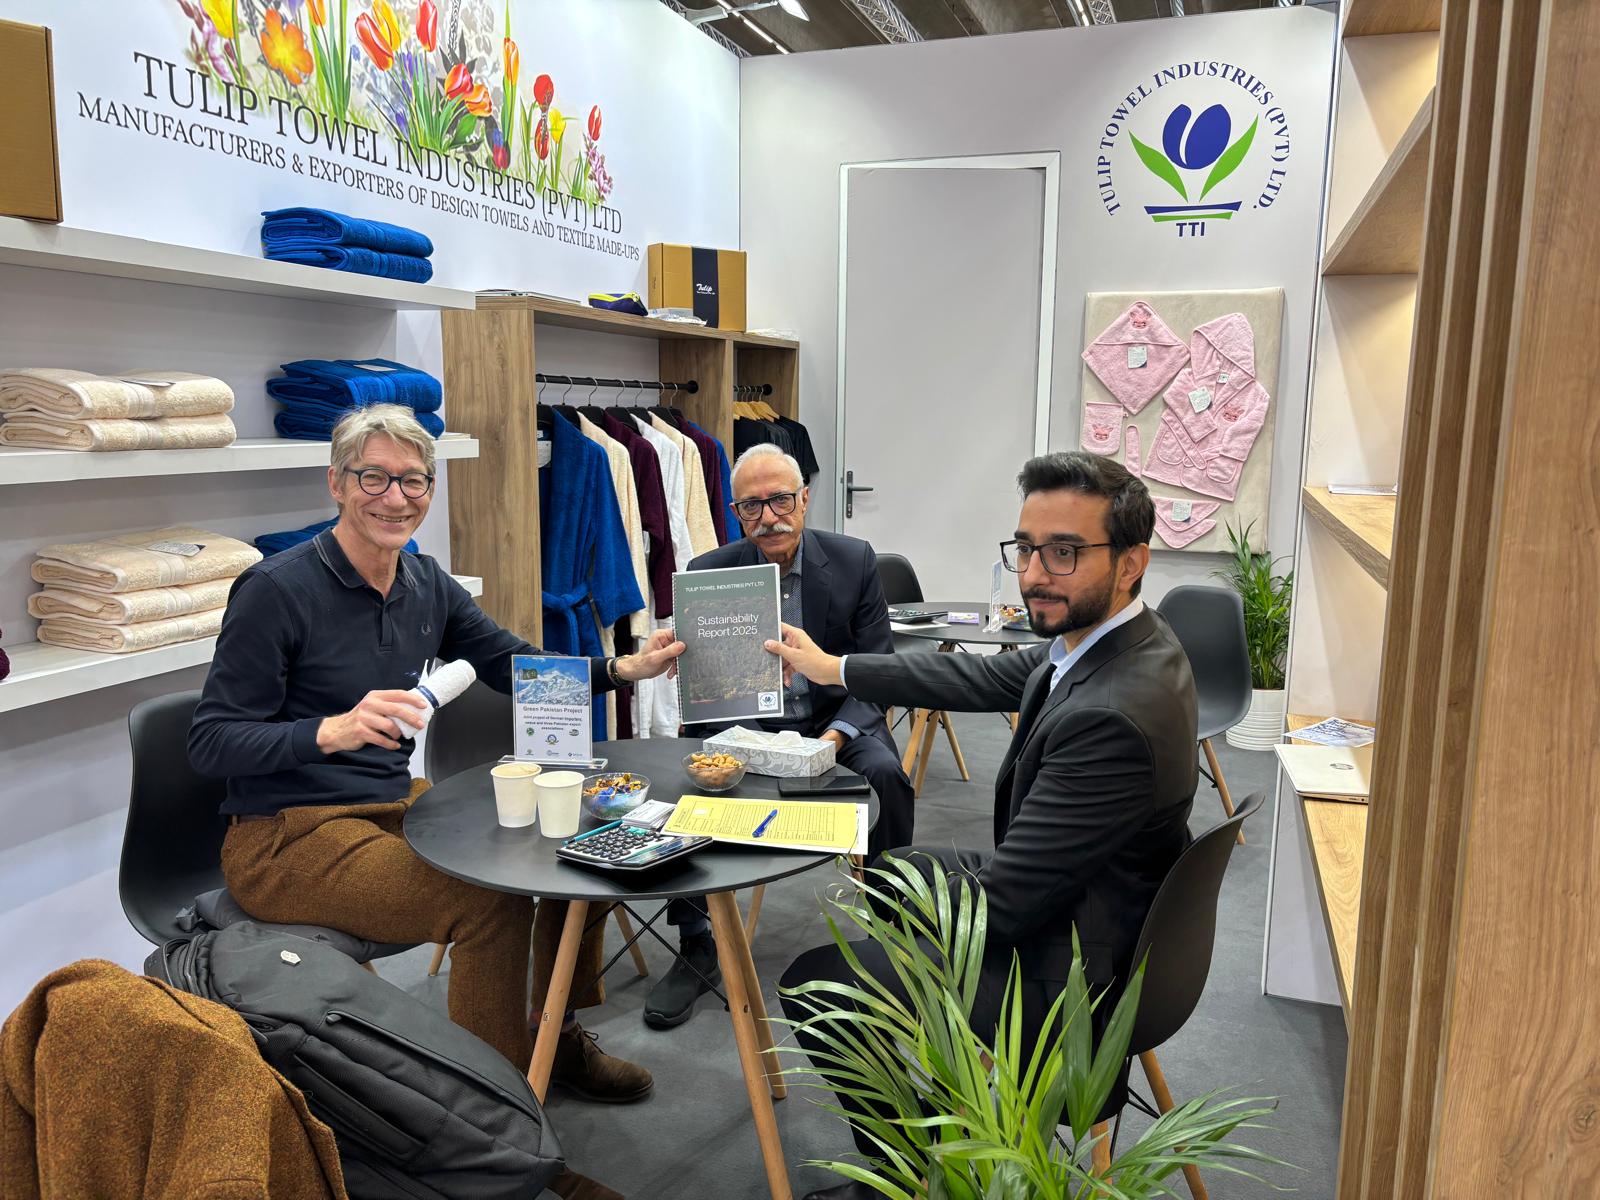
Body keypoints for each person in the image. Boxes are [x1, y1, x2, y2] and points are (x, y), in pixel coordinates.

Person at [188, 406, 684, 1200]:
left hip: (392, 803)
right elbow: (211, 742)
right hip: (287, 835)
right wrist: (328, 731)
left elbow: (513, 664)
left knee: (575, 850)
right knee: (487, 905)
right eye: (374, 478)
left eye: (413, 481)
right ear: (337, 484)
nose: (395, 497)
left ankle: (546, 1036)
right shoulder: (276, 591)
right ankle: (500, 1154)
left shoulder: (423, 580)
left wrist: (622, 671)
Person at [768, 451, 1198, 1200]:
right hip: (1099, 901)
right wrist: (836, 667)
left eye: (1064, 553)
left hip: (1076, 972)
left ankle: (907, 1175)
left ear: (1131, 562)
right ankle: (947, 1096)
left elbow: (1003, 908)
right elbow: (979, 675)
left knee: (818, 982)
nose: (1034, 574)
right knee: (893, 876)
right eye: (1025, 548)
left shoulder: (1112, 715)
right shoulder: (1122, 641)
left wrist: (917, 941)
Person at [642, 444, 915, 1031]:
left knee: (887, 775)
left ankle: (892, 934)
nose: (768, 517)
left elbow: (878, 668)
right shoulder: (709, 573)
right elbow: (704, 689)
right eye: (751, 506)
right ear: (736, 512)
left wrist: (834, 740)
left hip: (832, 722)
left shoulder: (854, 561)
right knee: (683, 787)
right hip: (746, 728)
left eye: (780, 501)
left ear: (805, 499)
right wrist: (684, 667)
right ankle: (695, 944)